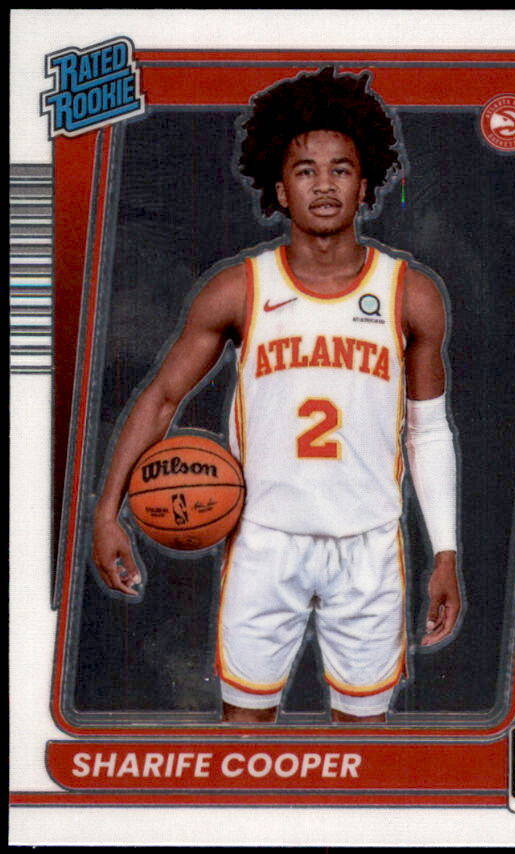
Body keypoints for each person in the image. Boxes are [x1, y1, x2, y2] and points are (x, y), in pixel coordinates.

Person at [92, 66, 461, 724]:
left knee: (364, 745)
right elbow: (161, 397)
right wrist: (105, 512)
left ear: (366, 184)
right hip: (264, 539)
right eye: (305, 170)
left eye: (341, 169)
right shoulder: (239, 288)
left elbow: (428, 430)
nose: (325, 184)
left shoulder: (411, 292)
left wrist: (446, 552)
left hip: (369, 543)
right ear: (280, 189)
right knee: (244, 732)